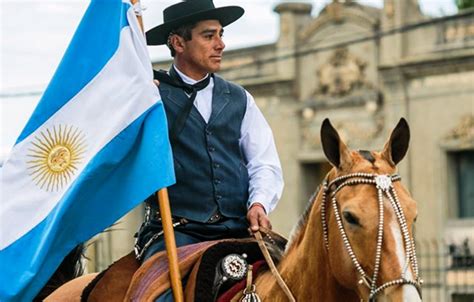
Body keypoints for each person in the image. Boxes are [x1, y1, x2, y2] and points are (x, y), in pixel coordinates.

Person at [135, 0, 283, 273]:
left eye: (221, 34)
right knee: (157, 289)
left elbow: (263, 162)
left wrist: (259, 201)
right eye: (208, 35)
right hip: (177, 230)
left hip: (238, 226)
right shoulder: (150, 96)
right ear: (179, 43)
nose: (220, 44)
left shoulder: (240, 98)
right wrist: (136, 101)